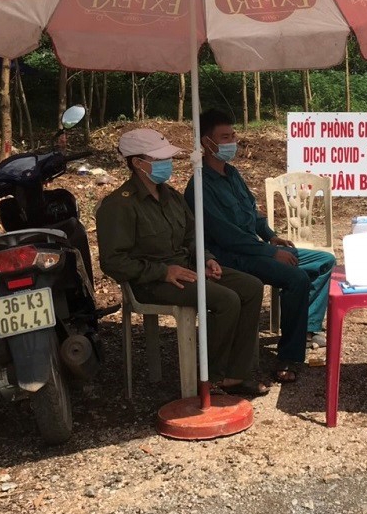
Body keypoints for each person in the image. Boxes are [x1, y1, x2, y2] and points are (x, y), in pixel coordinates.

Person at [96, 128, 268, 397]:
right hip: (151, 280)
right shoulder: (119, 205)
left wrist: (208, 259)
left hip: (188, 269)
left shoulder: (171, 196)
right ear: (138, 163)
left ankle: (236, 374)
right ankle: (210, 376)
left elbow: (192, 236)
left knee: (251, 286)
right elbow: (113, 261)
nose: (167, 165)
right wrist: (162, 272)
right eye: (158, 159)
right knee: (227, 300)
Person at [185, 109, 334, 384]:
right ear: (207, 143)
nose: (232, 142)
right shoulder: (199, 185)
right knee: (296, 278)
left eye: (233, 136)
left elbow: (251, 213)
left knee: (324, 261)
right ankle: (288, 357)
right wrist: (271, 252)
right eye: (224, 137)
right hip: (231, 257)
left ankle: (308, 329)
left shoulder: (232, 174)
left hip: (254, 249)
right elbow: (228, 236)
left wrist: (270, 236)